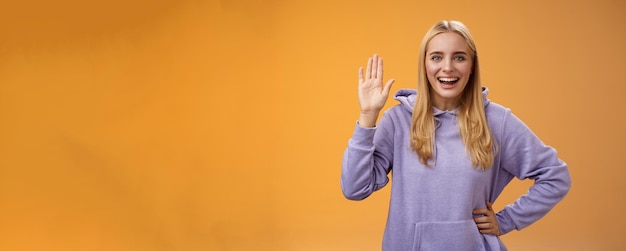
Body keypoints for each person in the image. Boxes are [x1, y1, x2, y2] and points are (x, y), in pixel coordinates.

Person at [341, 20, 571, 250]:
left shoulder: (497, 121)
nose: (448, 67)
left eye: (459, 57)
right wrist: (367, 115)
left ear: (472, 66)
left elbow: (554, 176)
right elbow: (354, 188)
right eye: (437, 57)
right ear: (424, 65)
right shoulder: (397, 121)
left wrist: (506, 221)